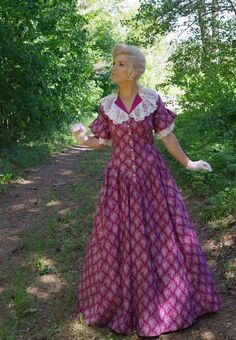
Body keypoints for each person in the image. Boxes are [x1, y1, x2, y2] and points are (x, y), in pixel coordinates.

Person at [74, 43, 221, 338]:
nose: (114, 68)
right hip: (118, 180)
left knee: (163, 233)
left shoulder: (151, 100)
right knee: (116, 234)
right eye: (114, 63)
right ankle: (119, 301)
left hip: (152, 177)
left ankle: (170, 300)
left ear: (135, 71)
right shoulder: (106, 105)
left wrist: (189, 163)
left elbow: (167, 137)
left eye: (120, 64)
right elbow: (100, 142)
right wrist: (80, 138)